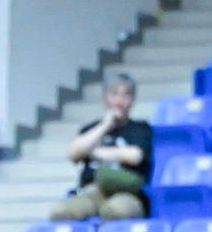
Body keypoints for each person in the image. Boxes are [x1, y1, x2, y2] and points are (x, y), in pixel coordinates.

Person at [52, 74, 152, 221]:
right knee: (62, 212)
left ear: (132, 100)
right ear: (105, 98)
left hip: (126, 193)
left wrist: (92, 152)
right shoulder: (90, 129)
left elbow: (134, 156)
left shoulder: (141, 129)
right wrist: (105, 126)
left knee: (114, 211)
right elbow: (73, 153)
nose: (119, 101)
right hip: (91, 191)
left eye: (126, 95)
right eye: (114, 94)